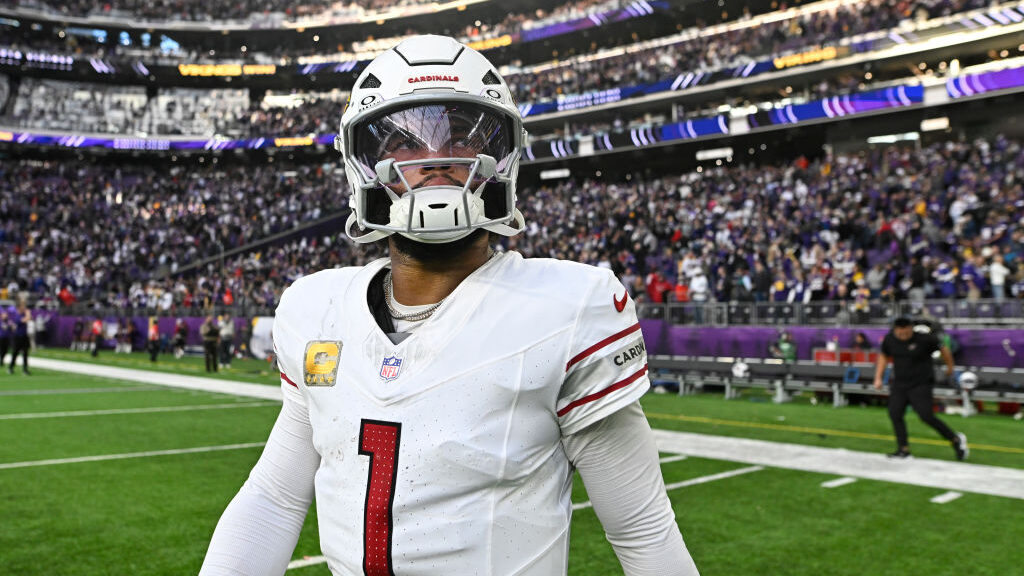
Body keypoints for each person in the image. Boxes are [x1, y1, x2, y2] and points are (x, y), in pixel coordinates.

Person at [200, 36, 699, 576]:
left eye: (462, 137)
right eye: (404, 142)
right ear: (363, 166)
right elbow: (274, 499)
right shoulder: (317, 308)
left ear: (500, 160)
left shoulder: (567, 311)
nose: (436, 162)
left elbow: (643, 531)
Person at [873, 317, 967, 460]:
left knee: (926, 416)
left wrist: (950, 367)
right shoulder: (890, 339)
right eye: (899, 333)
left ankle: (955, 439)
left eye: (905, 333)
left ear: (911, 329)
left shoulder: (924, 339)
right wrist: (878, 377)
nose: (902, 336)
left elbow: (944, 349)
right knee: (895, 413)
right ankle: (903, 449)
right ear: (895, 330)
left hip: (921, 383)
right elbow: (884, 356)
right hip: (900, 383)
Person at [9, 302, 31, 375]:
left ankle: (25, 369)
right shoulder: (17, 315)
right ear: (19, 308)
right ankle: (11, 368)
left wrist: (27, 314)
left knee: (25, 353)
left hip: (24, 336)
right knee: (15, 353)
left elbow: (28, 318)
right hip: (18, 337)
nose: (24, 308)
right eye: (22, 306)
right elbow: (26, 319)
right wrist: (28, 313)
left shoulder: (22, 314)